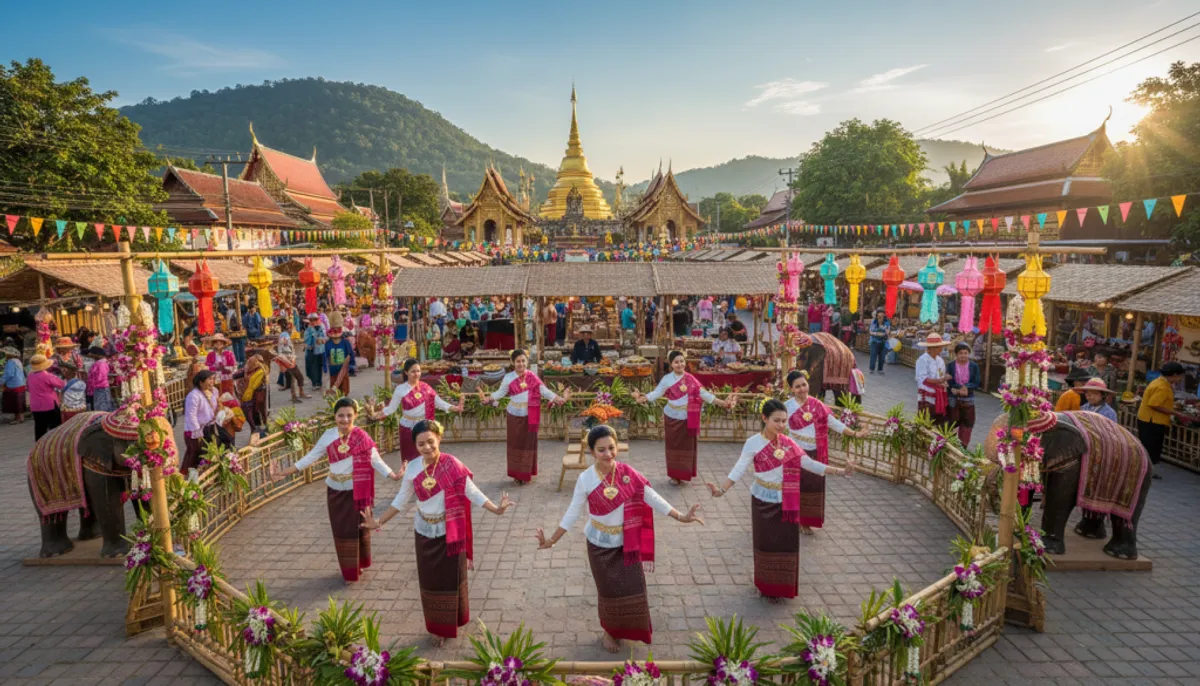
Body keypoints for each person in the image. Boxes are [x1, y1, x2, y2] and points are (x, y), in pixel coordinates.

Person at [536, 424, 704, 652]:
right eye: (601, 450)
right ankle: (609, 632)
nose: (608, 454)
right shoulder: (586, 479)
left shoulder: (627, 473)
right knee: (609, 593)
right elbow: (572, 512)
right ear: (592, 452)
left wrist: (681, 516)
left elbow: (651, 497)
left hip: (627, 545)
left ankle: (628, 629)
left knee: (632, 590)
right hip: (598, 546)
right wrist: (552, 540)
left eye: (611, 448)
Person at [362, 419, 512, 645]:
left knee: (451, 580)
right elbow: (401, 501)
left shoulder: (453, 465)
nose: (427, 448)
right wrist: (379, 521)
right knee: (430, 582)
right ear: (415, 446)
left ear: (439, 438)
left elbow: (472, 492)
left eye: (431, 442)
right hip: (423, 531)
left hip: (450, 533)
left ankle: (453, 620)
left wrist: (496, 510)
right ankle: (437, 627)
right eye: (421, 444)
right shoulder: (413, 468)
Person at [707, 399, 854, 602]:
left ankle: (782, 585)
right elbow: (739, 468)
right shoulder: (753, 443)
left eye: (784, 421)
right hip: (762, 500)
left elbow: (809, 464)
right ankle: (766, 585)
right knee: (765, 544)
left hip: (787, 502)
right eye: (776, 420)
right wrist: (721, 490)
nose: (781, 425)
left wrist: (841, 471)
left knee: (786, 545)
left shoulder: (788, 443)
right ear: (764, 418)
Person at [271, 398, 401, 584]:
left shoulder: (362, 437)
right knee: (342, 532)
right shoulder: (328, 436)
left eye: (349, 415)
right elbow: (310, 458)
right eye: (341, 415)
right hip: (335, 492)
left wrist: (393, 475)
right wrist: (285, 472)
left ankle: (360, 563)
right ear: (335, 416)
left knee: (359, 528)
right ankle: (349, 572)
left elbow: (376, 461)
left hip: (357, 491)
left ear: (356, 415)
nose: (345, 419)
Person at [634, 350, 736, 484]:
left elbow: (704, 395)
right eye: (676, 362)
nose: (680, 364)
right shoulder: (667, 379)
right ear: (671, 364)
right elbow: (657, 393)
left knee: (686, 447)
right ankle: (674, 476)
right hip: (671, 417)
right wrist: (644, 398)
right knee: (673, 447)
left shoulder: (690, 379)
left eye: (682, 361)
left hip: (687, 418)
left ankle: (684, 474)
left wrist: (723, 403)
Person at [783, 370, 866, 534]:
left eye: (804, 385)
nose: (802, 389)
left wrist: (855, 433)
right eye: (797, 387)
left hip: (815, 453)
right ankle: (793, 519)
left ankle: (806, 521)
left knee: (812, 488)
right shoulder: (787, 407)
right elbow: (779, 430)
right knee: (794, 488)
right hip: (795, 454)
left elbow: (834, 424)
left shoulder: (817, 405)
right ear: (791, 389)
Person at [481, 349, 568, 485]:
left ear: (527, 362)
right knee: (515, 445)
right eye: (518, 361)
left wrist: (557, 398)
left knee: (528, 445)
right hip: (514, 416)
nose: (520, 364)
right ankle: (517, 474)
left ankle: (526, 474)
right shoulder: (508, 378)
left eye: (523, 361)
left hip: (529, 416)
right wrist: (489, 398)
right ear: (513, 363)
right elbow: (500, 393)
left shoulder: (532, 376)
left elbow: (544, 391)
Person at [376, 358, 464, 462]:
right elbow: (392, 408)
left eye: (418, 371)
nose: (416, 374)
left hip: (424, 426)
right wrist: (378, 414)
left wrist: (455, 408)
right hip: (407, 428)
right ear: (406, 372)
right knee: (409, 458)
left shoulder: (425, 387)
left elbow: (439, 402)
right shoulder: (401, 389)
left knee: (426, 456)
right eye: (413, 371)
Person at [1137, 361, 1187, 480]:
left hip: (1147, 418)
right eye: (1180, 376)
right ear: (1174, 374)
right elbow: (1154, 404)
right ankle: (1147, 471)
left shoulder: (1160, 382)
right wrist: (1176, 413)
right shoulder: (1162, 387)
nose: (1180, 379)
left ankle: (1146, 470)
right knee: (1151, 447)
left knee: (1148, 446)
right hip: (1152, 421)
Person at [182, 370, 221, 474]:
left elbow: (216, 407)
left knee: (211, 453)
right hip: (196, 431)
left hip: (210, 427)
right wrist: (198, 432)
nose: (212, 381)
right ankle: (189, 479)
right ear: (201, 382)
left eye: (213, 379)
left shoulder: (215, 391)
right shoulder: (193, 395)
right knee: (193, 457)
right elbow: (191, 415)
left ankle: (209, 476)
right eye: (209, 379)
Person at [945, 342, 982, 445]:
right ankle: (950, 445)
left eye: (966, 353)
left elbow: (976, 381)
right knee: (952, 423)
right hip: (953, 399)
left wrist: (967, 388)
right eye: (961, 353)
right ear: (956, 354)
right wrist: (958, 389)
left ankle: (963, 447)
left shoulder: (974, 366)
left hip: (968, 399)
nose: (963, 355)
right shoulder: (950, 366)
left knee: (967, 424)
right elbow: (949, 381)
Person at [915, 333, 952, 425]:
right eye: (939, 347)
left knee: (939, 422)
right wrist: (940, 381)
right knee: (925, 422)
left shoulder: (940, 360)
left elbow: (941, 375)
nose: (941, 349)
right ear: (931, 348)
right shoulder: (922, 360)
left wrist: (944, 382)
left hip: (939, 395)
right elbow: (922, 380)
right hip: (926, 396)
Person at [27, 354, 64, 440]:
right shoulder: (47, 375)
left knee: (39, 428)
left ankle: (39, 447)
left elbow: (28, 388)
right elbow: (61, 384)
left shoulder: (30, 376)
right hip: (49, 404)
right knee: (55, 427)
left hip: (35, 406)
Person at [275, 319, 310, 402]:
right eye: (291, 329)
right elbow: (285, 345)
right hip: (288, 359)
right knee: (299, 377)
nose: (292, 331)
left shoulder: (283, 334)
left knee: (291, 378)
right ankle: (298, 395)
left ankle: (294, 395)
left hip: (285, 358)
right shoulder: (285, 335)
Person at [234, 353, 268, 432]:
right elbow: (235, 375)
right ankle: (254, 428)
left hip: (259, 394)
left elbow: (255, 384)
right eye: (250, 362)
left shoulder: (262, 370)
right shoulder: (247, 369)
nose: (252, 364)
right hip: (248, 395)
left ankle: (261, 428)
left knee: (259, 411)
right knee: (249, 412)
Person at [325, 323, 355, 398]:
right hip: (333, 370)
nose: (335, 339)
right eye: (333, 338)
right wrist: (324, 367)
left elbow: (350, 354)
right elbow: (325, 356)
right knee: (334, 395)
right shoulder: (328, 344)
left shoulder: (345, 342)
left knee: (344, 391)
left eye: (337, 338)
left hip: (343, 369)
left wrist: (351, 365)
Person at [85, 346, 115, 412]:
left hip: (101, 388)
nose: (90, 355)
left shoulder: (101, 364)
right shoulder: (98, 363)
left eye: (92, 353)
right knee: (98, 407)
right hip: (97, 389)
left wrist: (92, 383)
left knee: (102, 407)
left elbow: (101, 377)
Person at [2, 346, 26, 424]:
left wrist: (1, 381)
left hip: (14, 384)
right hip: (21, 383)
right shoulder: (18, 361)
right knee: (19, 401)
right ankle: (20, 417)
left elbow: (9, 374)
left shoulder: (10, 362)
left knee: (15, 402)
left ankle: (18, 418)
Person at [303, 313, 328, 390]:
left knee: (318, 367)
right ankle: (314, 382)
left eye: (315, 319)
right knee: (310, 368)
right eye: (311, 320)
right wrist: (308, 345)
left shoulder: (321, 328)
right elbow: (306, 341)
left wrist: (322, 340)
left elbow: (325, 338)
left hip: (319, 351)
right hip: (311, 351)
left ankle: (318, 383)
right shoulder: (308, 330)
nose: (313, 321)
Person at [868, 309, 890, 375]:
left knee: (882, 356)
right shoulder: (874, 322)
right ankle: (871, 369)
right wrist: (877, 334)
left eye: (882, 313)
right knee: (873, 355)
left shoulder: (886, 322)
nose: (880, 315)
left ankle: (880, 369)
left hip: (883, 341)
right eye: (879, 314)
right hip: (874, 341)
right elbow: (870, 331)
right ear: (877, 315)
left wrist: (885, 331)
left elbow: (888, 332)